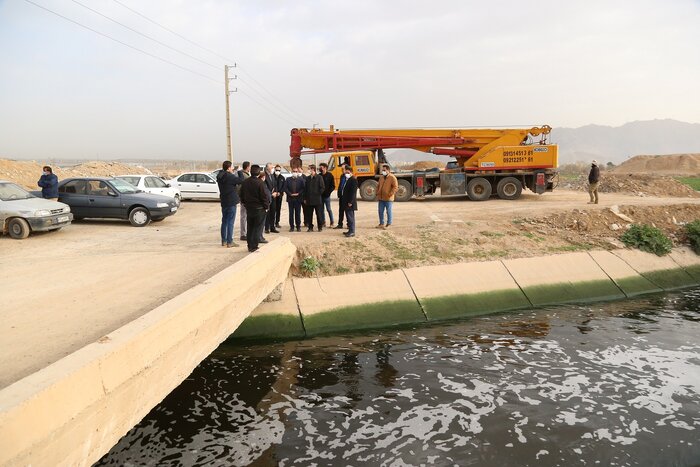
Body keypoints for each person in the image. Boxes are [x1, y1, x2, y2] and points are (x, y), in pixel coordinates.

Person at [239, 165, 270, 252]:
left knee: (250, 227)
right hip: (259, 209)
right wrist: (266, 207)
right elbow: (264, 197)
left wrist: (245, 204)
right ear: (258, 172)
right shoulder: (260, 183)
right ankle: (254, 246)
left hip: (249, 208)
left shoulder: (245, 182)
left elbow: (241, 195)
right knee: (257, 228)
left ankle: (249, 246)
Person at [216, 160, 243, 247]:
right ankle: (230, 241)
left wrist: (232, 171)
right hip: (231, 202)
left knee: (224, 221)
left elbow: (226, 175)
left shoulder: (219, 176)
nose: (232, 168)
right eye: (231, 167)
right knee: (230, 222)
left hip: (224, 201)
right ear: (228, 168)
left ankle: (223, 240)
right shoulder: (230, 177)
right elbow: (241, 180)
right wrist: (239, 171)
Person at [302, 164, 325, 231]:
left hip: (317, 200)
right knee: (309, 215)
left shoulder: (319, 177)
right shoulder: (307, 178)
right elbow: (305, 189)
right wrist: (305, 198)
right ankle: (310, 227)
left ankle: (320, 227)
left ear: (313, 170)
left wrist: (317, 194)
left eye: (309, 169)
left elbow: (322, 188)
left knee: (319, 214)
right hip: (309, 200)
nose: (308, 170)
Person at [376, 164, 398, 229]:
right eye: (382, 170)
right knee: (380, 211)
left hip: (388, 198)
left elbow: (395, 187)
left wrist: (390, 194)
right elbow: (378, 185)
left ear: (388, 170)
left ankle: (389, 224)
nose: (383, 171)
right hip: (381, 198)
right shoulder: (381, 177)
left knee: (388, 211)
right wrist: (377, 192)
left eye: (384, 170)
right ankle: (381, 224)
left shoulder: (392, 177)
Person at [284, 167, 305, 232]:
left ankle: (298, 226)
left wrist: (298, 193)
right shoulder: (288, 179)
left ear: (298, 172)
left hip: (298, 199)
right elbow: (285, 188)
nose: (295, 173)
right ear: (291, 172)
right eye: (294, 171)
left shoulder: (301, 179)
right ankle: (292, 227)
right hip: (290, 199)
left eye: (296, 171)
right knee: (291, 213)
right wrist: (290, 194)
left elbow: (303, 188)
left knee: (298, 213)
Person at [340, 165, 358, 237]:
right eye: (345, 172)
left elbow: (353, 192)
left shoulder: (353, 180)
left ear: (351, 172)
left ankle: (352, 231)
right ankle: (350, 230)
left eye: (347, 172)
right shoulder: (348, 180)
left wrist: (350, 202)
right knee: (348, 216)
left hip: (350, 202)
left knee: (350, 217)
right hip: (346, 201)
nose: (345, 174)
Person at [236, 161, 251, 241]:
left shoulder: (242, 174)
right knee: (244, 216)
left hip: (244, 198)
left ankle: (244, 233)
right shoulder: (245, 176)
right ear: (247, 167)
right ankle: (243, 234)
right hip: (245, 198)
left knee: (244, 216)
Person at [263, 163, 280, 234]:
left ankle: (272, 227)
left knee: (273, 212)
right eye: (271, 167)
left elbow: (275, 185)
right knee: (268, 213)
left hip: (274, 197)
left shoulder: (272, 176)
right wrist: (271, 194)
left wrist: (276, 192)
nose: (272, 169)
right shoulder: (264, 176)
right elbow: (265, 187)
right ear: (267, 168)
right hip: (267, 197)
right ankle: (267, 228)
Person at [319, 162, 335, 228]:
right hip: (320, 196)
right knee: (321, 210)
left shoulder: (330, 175)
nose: (320, 168)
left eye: (321, 167)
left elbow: (333, 186)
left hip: (327, 196)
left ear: (325, 168)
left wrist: (328, 192)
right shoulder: (319, 176)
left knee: (329, 209)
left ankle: (332, 222)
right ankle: (323, 222)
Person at [334, 164, 348, 230]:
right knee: (341, 211)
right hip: (341, 197)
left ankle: (349, 224)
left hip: (346, 198)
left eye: (343, 169)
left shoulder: (350, 177)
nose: (342, 170)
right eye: (341, 169)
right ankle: (340, 224)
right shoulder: (342, 176)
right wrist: (339, 194)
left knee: (347, 211)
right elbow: (340, 185)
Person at [273, 164, 286, 228]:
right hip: (273, 196)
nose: (277, 171)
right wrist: (275, 192)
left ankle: (277, 222)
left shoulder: (282, 178)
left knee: (278, 209)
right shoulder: (272, 177)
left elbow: (284, 186)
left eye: (279, 170)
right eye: (276, 170)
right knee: (272, 209)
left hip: (280, 196)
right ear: (274, 169)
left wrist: (280, 192)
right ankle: (271, 223)